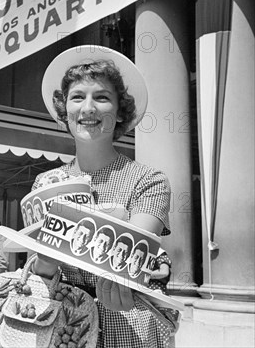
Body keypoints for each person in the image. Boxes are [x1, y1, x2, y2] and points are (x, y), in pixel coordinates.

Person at [32, 46, 173, 347]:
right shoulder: (45, 183)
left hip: (129, 326)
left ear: (120, 110)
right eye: (77, 97)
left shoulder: (149, 180)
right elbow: (41, 269)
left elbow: (132, 253)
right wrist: (44, 259)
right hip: (65, 328)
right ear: (64, 109)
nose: (88, 109)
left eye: (102, 97)